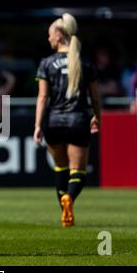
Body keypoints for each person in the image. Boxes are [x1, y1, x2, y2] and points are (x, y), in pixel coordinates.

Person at [33, 13, 101, 228]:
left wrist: (37, 126)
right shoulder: (84, 63)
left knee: (60, 169)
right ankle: (69, 199)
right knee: (78, 171)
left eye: (50, 35)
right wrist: (97, 117)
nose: (48, 39)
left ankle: (65, 211)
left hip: (54, 122)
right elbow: (95, 97)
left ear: (59, 35)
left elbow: (43, 97)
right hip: (78, 121)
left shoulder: (47, 63)